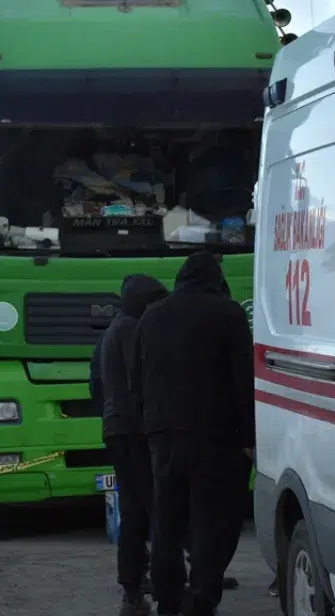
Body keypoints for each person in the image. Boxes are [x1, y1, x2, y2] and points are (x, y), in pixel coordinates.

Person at [131, 251, 255, 616]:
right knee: (210, 522)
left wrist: (148, 427)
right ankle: (201, 600)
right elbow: (241, 382)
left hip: (162, 437)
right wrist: (248, 437)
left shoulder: (152, 317)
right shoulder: (228, 314)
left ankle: (167, 601)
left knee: (167, 521)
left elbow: (136, 381)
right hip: (214, 438)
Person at [90, 274, 170, 616]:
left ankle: (133, 585)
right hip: (136, 430)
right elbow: (143, 381)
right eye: (154, 302)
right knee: (154, 507)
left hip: (116, 428)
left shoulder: (111, 331)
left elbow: (95, 384)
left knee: (134, 509)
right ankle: (162, 581)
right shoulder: (132, 331)